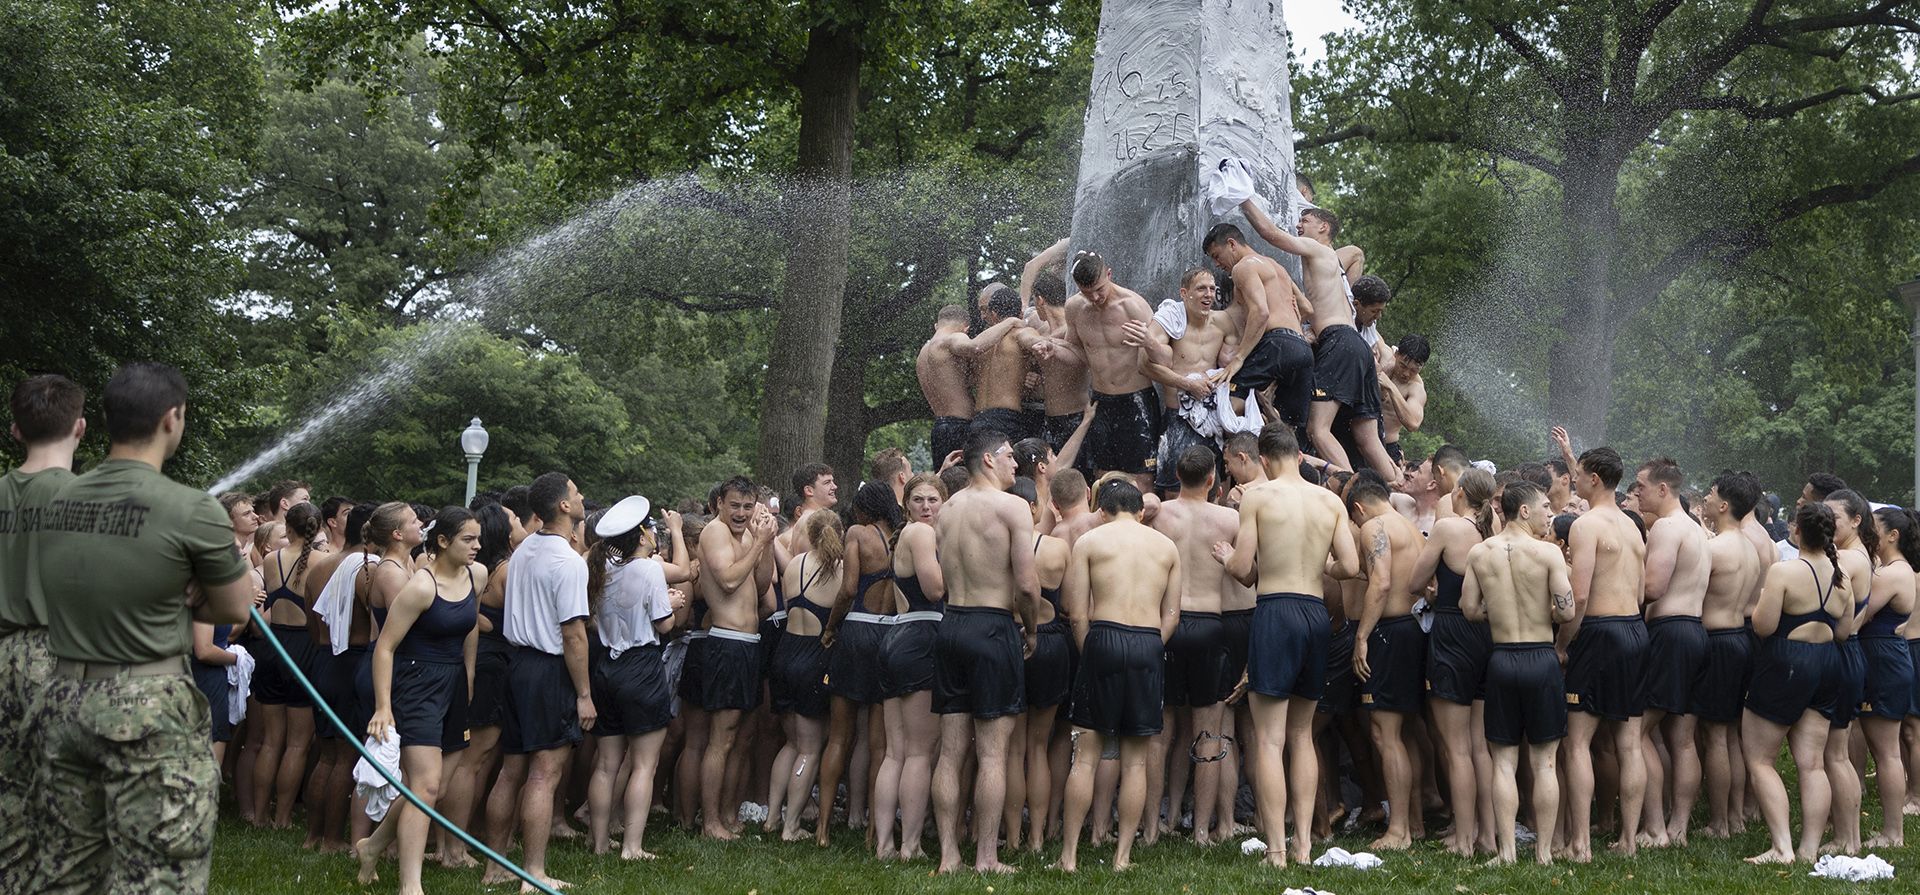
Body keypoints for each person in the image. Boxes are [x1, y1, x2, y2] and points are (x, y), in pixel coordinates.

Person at [33, 361, 255, 894]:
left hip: (61, 696)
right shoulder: (190, 508)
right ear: (172, 418)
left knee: (64, 873)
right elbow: (235, 610)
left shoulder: (55, 497)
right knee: (159, 875)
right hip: (147, 705)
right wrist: (189, 591)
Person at [1213, 424, 1360, 867]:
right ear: (1299, 455)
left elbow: (1243, 568)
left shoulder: (1257, 497)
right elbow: (1350, 566)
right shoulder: (1330, 501)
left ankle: (1276, 850)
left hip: (1275, 610)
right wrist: (1318, 562)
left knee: (1271, 740)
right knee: (1302, 736)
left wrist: (1227, 560)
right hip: (1315, 614)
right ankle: (1304, 845)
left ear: (1263, 458)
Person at [1054, 478, 1181, 872]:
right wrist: (1150, 646)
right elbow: (1172, 614)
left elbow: (1076, 612)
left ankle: (1069, 856)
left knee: (1087, 757)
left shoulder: (1090, 542)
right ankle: (1122, 857)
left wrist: (1089, 649)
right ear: (1140, 511)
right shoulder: (1166, 546)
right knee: (1136, 762)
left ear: (1102, 510)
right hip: (1147, 641)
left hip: (1102, 636)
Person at [356, 506, 484, 894]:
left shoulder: (474, 575)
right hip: (416, 684)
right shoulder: (421, 586)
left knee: (434, 789)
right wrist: (383, 706)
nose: (477, 546)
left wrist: (470, 677)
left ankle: (372, 846)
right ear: (442, 541)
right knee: (425, 787)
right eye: (468, 539)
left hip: (454, 685)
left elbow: (470, 630)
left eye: (478, 538)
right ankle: (410, 886)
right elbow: (385, 648)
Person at [931, 429, 1039, 874]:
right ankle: (986, 857)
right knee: (993, 753)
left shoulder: (947, 510)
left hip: (951, 623)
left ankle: (947, 857)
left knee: (950, 752)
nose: (1017, 463)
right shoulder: (1011, 506)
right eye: (1011, 456)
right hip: (992, 625)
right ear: (989, 461)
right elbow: (1028, 586)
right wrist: (1031, 631)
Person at [480, 472, 595, 891]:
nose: (581, 496)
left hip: (516, 666)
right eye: (576, 492)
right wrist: (583, 694)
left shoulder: (524, 547)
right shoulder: (566, 561)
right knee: (544, 775)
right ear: (564, 506)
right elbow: (573, 634)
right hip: (547, 670)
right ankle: (534, 872)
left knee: (511, 771)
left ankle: (495, 867)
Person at [1238, 198, 1398, 480]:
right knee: (1368, 437)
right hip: (1356, 346)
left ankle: (1352, 490)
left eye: (1305, 221)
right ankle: (1397, 489)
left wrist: (1242, 198)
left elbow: (1271, 234)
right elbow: (1355, 254)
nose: (1298, 225)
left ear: (1324, 227)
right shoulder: (1335, 262)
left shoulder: (1318, 249)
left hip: (1339, 342)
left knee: (1317, 430)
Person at [1459, 480, 1574, 866]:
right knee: (1544, 762)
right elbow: (1568, 611)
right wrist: (1545, 611)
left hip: (1503, 658)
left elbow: (1469, 608)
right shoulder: (1548, 554)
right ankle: (1543, 854)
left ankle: (1506, 852)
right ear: (1523, 510)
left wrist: (1500, 610)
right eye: (1544, 507)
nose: (1549, 513)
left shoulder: (1480, 552)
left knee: (1503, 761)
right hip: (1541, 658)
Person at [0, 373, 84, 887]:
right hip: (63, 659)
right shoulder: (90, 501)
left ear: (15, 430)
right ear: (80, 427)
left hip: (2, 654)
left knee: (9, 796)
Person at [1556, 444, 1650, 861]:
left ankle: (1581, 844)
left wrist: (1562, 645)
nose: (1574, 480)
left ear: (1594, 478)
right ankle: (1628, 841)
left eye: (1578, 474)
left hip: (1599, 632)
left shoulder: (1586, 525)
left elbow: (1578, 595)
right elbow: (1644, 592)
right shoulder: (1633, 526)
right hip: (1634, 630)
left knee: (1578, 743)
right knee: (1629, 744)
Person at [583, 496, 689, 858]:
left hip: (607, 668)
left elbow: (596, 621)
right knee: (644, 763)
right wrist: (673, 605)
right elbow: (665, 625)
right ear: (643, 534)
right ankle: (632, 845)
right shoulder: (647, 570)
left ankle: (597, 842)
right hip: (641, 666)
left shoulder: (604, 568)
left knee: (606, 764)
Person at [1742, 501, 1848, 865]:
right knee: (1812, 763)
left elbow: (1763, 626)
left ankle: (1782, 847)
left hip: (1786, 662)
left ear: (1798, 531)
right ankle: (1809, 849)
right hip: (1828, 664)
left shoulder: (1784, 572)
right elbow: (1845, 632)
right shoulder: (1841, 577)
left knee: (1760, 759)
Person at [1148, 446, 1241, 846]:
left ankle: (1153, 827)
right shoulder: (1229, 519)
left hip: (1167, 623)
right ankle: (1201, 830)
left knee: (1160, 733)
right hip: (1210, 625)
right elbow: (1250, 573)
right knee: (1209, 733)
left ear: (1175, 476)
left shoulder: (1158, 516)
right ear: (1212, 480)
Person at [1408, 467, 1495, 857]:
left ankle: (1463, 839)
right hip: (1484, 633)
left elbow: (1414, 580)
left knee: (1456, 747)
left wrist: (1430, 587)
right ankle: (1486, 834)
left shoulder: (1448, 528)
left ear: (1459, 492)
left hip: (1453, 632)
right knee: (1479, 746)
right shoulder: (1487, 531)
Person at [687, 476, 775, 843]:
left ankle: (726, 812)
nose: (741, 513)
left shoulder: (746, 537)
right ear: (719, 504)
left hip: (748, 643)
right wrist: (759, 544)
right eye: (734, 505)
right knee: (720, 738)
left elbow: (761, 583)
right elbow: (726, 580)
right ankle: (709, 822)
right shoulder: (715, 533)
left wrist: (764, 545)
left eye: (747, 505)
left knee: (739, 736)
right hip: (726, 642)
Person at [1634, 457, 1712, 847]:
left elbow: (1653, 588)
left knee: (1637, 731)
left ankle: (1655, 829)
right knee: (1682, 738)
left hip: (1670, 631)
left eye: (1642, 486)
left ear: (1663, 489)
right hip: (1695, 630)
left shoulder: (1666, 526)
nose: (1637, 493)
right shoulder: (1696, 529)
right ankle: (1677, 826)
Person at [817, 481, 901, 843]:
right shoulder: (904, 537)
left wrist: (830, 628)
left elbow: (849, 587)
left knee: (840, 736)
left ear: (865, 509)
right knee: (880, 743)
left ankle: (821, 829)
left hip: (856, 633)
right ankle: (873, 831)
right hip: (889, 635)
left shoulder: (858, 533)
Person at [1347, 478, 1427, 850]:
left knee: (1384, 732)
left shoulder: (1374, 528)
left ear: (1359, 508)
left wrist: (1362, 636)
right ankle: (1414, 823)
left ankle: (1398, 832)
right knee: (1406, 732)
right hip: (1413, 630)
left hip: (1389, 632)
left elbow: (1380, 584)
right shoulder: (1409, 527)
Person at [875, 472, 948, 860]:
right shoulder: (920, 534)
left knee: (895, 752)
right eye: (918, 500)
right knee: (919, 752)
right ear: (907, 506)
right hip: (920, 637)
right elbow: (935, 589)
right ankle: (910, 845)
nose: (925, 507)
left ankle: (885, 843)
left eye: (933, 500)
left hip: (896, 638)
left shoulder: (905, 535)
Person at [1695, 472, 1766, 840]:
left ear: (1724, 505)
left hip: (1718, 642)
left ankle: (1720, 822)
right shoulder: (1751, 547)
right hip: (1741, 636)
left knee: (1716, 734)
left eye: (1709, 494)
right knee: (1734, 734)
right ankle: (1736, 816)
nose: (1705, 499)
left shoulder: (1715, 549)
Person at [766, 510, 842, 840]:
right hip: (813, 657)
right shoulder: (838, 570)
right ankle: (792, 824)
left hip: (784, 653)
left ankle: (771, 817)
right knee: (810, 749)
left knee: (791, 743)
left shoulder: (795, 563)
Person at [1054, 252, 1159, 490]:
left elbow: (1162, 357)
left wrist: (1150, 343)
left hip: (1136, 399)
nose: (1095, 297)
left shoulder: (1133, 305)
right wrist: (1054, 350)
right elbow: (1078, 355)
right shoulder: (1075, 308)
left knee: (1142, 478)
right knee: (1102, 476)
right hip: (1100, 401)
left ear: (1109, 274)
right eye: (1086, 292)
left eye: (1099, 289)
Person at [1006, 476, 1071, 853]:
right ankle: (1036, 839)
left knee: (1013, 748)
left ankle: (1012, 839)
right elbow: (1071, 605)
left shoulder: (998, 545)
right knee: (1039, 746)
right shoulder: (1058, 548)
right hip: (1049, 640)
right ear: (1033, 507)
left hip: (1011, 638)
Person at [1134, 268, 1240, 497]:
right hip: (1179, 416)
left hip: (1212, 416)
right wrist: (1187, 384)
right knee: (1174, 489)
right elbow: (1144, 365)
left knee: (1216, 487)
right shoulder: (1168, 321)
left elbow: (1233, 364)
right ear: (1184, 293)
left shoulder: (1224, 322)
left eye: (1212, 289)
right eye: (1201, 288)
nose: (1208, 294)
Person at [1200, 223, 1313, 437]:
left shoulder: (1243, 267)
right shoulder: (1277, 267)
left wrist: (1240, 357)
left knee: (1227, 407)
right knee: (1288, 431)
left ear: (1232, 244)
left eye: (1217, 255)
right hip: (1302, 350)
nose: (1217, 264)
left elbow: (1260, 312)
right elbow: (1306, 308)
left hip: (1276, 343)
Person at [250, 502, 324, 829]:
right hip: (303, 648)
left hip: (272, 645)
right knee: (297, 742)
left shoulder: (270, 559)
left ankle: (260, 813)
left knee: (271, 739)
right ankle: (283, 818)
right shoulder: (322, 562)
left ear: (288, 527)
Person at [1821, 488, 1875, 855]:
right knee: (1835, 753)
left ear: (1856, 520)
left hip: (1843, 651)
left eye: (1833, 518)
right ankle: (1848, 836)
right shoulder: (1857, 555)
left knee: (1835, 754)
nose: (1826, 525)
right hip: (1848, 652)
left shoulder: (1848, 559)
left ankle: (1846, 839)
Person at [1860, 506, 1916, 847]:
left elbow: (1859, 614)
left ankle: (1892, 833)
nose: (1869, 533)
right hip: (1888, 659)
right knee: (1886, 751)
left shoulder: (1891, 573)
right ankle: (1891, 830)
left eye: (1874, 529)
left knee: (1886, 753)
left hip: (1883, 662)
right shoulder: (1895, 569)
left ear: (1893, 535)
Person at [917, 304, 1014, 464]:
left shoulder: (923, 353)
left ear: (937, 325)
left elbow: (960, 381)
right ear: (965, 328)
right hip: (959, 426)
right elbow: (975, 347)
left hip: (939, 428)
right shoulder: (954, 337)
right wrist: (1010, 322)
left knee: (950, 484)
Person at [969, 283, 1043, 444]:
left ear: (994, 313)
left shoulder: (983, 342)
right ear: (1020, 312)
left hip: (978, 420)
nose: (983, 317)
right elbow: (1038, 343)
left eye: (984, 311)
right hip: (1006, 420)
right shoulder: (1019, 333)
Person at [1377, 335, 1429, 468]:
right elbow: (1369, 329)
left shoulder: (1416, 389)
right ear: (1396, 354)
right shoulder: (1386, 357)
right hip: (1359, 433)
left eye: (1413, 370)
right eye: (1403, 366)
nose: (1406, 373)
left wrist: (1390, 387)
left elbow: (1413, 424)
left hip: (1387, 447)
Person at [779, 463, 837, 555]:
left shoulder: (803, 520)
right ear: (809, 490)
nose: (834, 487)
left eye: (832, 482)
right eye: (827, 483)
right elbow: (818, 566)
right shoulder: (814, 521)